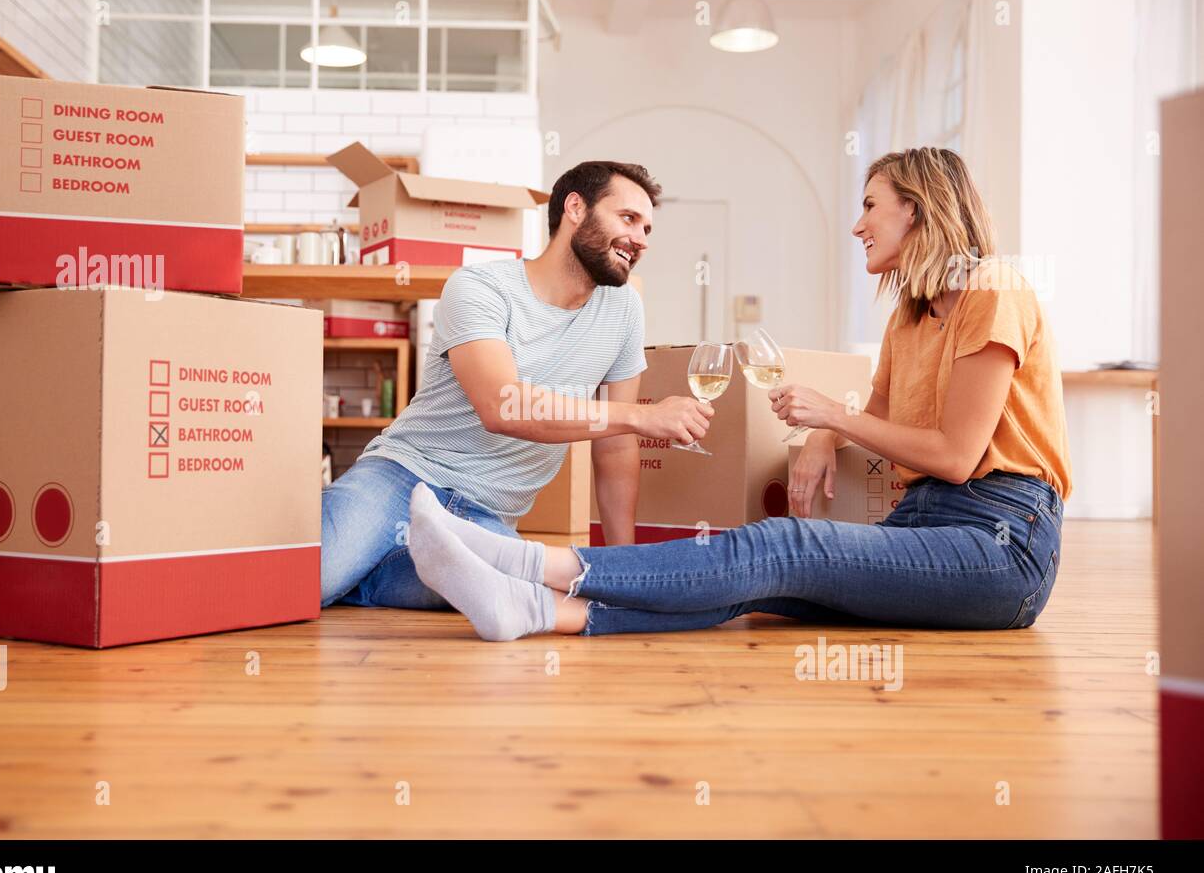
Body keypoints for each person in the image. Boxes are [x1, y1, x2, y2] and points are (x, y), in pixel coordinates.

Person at [404, 147, 1074, 640]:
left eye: (870, 205)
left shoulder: (993, 290)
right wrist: (821, 435)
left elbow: (956, 456)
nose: (858, 224)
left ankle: (525, 562)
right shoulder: (909, 313)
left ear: (917, 209)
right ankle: (535, 611)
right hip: (925, 522)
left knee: (782, 548)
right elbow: (871, 413)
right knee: (760, 584)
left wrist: (830, 414)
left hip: (1001, 541)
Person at [320, 160, 715, 609]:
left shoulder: (625, 311)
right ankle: (348, 559)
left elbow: (616, 446)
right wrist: (641, 416)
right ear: (575, 209)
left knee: (525, 591)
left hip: (488, 515)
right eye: (628, 219)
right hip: (405, 477)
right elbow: (503, 407)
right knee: (307, 582)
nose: (641, 239)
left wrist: (625, 569)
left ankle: (366, 576)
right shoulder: (481, 287)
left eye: (647, 228)